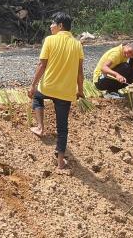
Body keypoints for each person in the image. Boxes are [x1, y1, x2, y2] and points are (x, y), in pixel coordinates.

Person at [28, 12, 84, 174]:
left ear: (60, 26)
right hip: (66, 92)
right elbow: (80, 73)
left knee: (37, 97)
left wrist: (33, 85)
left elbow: (41, 65)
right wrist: (80, 91)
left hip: (48, 88)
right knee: (62, 128)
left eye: (53, 23)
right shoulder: (77, 45)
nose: (50, 26)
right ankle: (60, 162)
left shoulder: (50, 40)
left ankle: (40, 127)